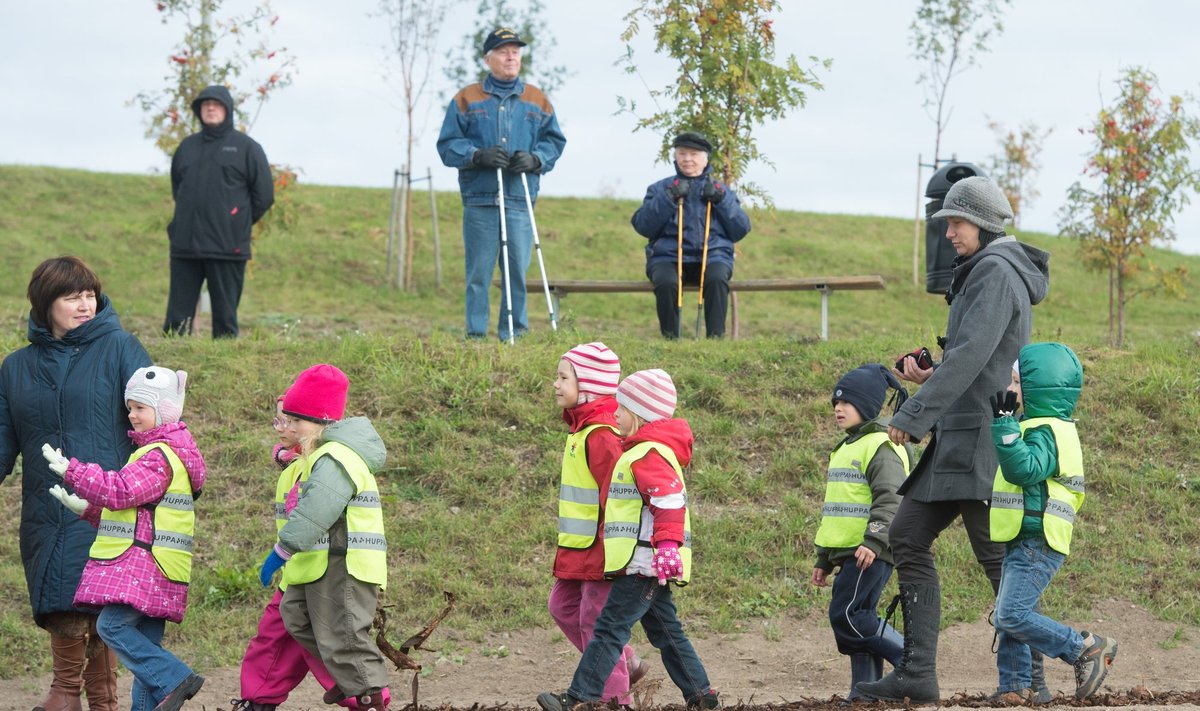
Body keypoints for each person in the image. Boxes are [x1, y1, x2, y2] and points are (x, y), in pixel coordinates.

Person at [856, 176, 1050, 704]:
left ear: (984, 224)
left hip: (982, 442)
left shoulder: (994, 271)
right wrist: (928, 375)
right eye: (947, 223)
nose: (949, 234)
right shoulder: (988, 270)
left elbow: (971, 358)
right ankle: (918, 672)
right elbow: (972, 356)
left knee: (999, 564)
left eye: (957, 223)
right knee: (908, 536)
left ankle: (1036, 678)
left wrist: (914, 413)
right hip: (958, 439)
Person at [0, 256, 150, 711]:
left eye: (90, 295)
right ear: (47, 304)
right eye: (72, 297)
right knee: (63, 605)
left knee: (104, 609)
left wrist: (167, 479)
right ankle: (70, 691)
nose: (85, 305)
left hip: (112, 506)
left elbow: (156, 426)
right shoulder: (16, 367)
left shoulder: (123, 348)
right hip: (47, 513)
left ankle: (86, 698)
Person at [538, 369, 718, 711]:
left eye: (620, 409)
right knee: (667, 633)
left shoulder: (648, 453)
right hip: (643, 563)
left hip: (644, 564)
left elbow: (668, 500)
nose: (614, 414)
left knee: (608, 630)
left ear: (637, 415)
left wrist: (666, 547)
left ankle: (581, 698)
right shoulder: (640, 451)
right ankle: (702, 696)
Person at [42, 366, 207, 711]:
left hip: (144, 567)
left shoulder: (158, 456)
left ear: (164, 410)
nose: (132, 415)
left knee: (111, 627)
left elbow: (121, 491)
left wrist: (71, 470)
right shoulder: (161, 454)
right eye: (129, 407)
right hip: (162, 567)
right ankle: (164, 685)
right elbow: (137, 515)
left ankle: (176, 677)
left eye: (140, 408)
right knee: (147, 670)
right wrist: (87, 509)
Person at [989, 343, 1118, 702]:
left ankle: (1083, 648)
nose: (1011, 391)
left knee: (1012, 614)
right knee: (1011, 614)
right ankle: (1016, 685)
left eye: (1016, 383)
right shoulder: (1039, 425)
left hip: (1038, 539)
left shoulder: (1047, 430)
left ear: (1038, 388)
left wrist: (1004, 427)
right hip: (1025, 536)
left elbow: (1024, 468)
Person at [257, 365, 391, 711]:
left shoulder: (336, 457)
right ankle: (351, 682)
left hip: (344, 566)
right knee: (297, 616)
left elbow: (316, 510)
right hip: (324, 564)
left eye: (296, 421)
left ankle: (369, 697)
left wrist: (281, 551)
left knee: (344, 636)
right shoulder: (318, 456)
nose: (290, 428)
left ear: (320, 421)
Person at [436, 28, 567, 341]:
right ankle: (476, 335)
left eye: (516, 51)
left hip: (519, 199)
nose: (511, 56)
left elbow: (555, 141)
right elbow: (447, 144)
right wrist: (476, 155)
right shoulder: (467, 98)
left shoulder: (537, 99)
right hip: (480, 198)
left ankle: (514, 334)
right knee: (478, 274)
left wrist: (536, 159)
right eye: (503, 51)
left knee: (516, 274)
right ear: (488, 58)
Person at [548, 343, 648, 704]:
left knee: (595, 621)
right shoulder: (580, 430)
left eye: (563, 377)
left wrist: (618, 551)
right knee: (562, 608)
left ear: (587, 385)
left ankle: (614, 698)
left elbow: (619, 496)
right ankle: (626, 661)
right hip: (578, 549)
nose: (555, 384)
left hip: (603, 551)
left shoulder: (601, 434)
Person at [810, 364, 912, 702]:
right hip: (850, 550)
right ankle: (865, 694)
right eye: (835, 403)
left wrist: (874, 540)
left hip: (871, 549)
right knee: (860, 617)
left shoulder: (881, 445)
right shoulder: (846, 447)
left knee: (848, 616)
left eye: (847, 402)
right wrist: (824, 558)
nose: (838, 408)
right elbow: (838, 509)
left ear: (867, 406)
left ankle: (913, 667)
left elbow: (891, 497)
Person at [164, 84, 275, 339]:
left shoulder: (247, 148)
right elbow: (177, 190)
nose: (210, 108)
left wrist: (237, 221)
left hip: (227, 246)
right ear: (199, 111)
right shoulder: (186, 147)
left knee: (225, 318)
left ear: (228, 110)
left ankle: (223, 361)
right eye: (205, 105)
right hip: (186, 245)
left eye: (216, 104)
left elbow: (264, 196)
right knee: (176, 319)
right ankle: (169, 364)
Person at [631, 132, 751, 339]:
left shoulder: (722, 190)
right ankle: (670, 339)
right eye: (682, 153)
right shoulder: (660, 188)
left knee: (716, 278)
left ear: (706, 159)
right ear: (675, 158)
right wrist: (668, 198)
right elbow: (643, 226)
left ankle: (715, 339)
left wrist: (721, 200)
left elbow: (740, 229)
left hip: (713, 255)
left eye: (694, 154)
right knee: (666, 282)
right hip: (667, 257)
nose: (687, 159)